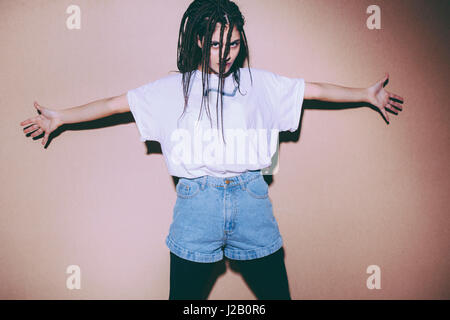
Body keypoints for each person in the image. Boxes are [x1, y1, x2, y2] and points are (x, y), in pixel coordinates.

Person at [19, 0, 404, 300]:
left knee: (276, 296)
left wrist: (365, 95)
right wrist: (61, 117)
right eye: (217, 43)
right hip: (195, 204)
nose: (226, 52)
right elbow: (115, 103)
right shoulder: (175, 89)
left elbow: (313, 90)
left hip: (251, 198)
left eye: (234, 43)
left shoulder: (258, 84)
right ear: (201, 40)